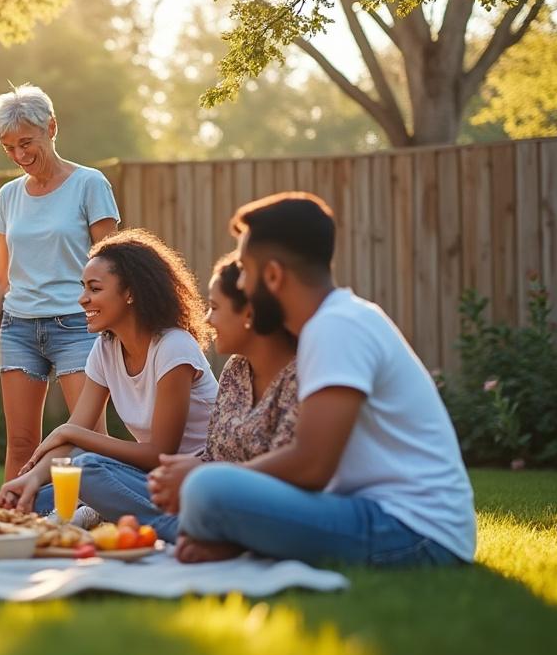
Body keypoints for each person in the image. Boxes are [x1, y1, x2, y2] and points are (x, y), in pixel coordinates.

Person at [172, 193, 475, 567]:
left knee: (206, 487)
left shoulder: (336, 327)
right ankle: (234, 539)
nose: (244, 286)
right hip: (373, 514)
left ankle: (228, 534)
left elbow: (312, 465)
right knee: (208, 488)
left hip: (415, 531)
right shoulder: (334, 322)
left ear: (273, 275)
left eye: (246, 270)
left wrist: (206, 476)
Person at [0, 229, 219, 540]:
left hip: (199, 482)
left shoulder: (173, 348)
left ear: (130, 293)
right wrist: (31, 479)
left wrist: (72, 433)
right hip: (153, 480)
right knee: (40, 494)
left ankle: (180, 529)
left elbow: (159, 453)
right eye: (83, 287)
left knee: (87, 469)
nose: (82, 299)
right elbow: (74, 435)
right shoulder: (106, 348)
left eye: (95, 288)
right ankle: (99, 512)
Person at [0, 84, 120, 480]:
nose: (19, 155)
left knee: (89, 438)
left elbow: (114, 267)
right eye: (8, 147)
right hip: (18, 328)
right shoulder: (8, 195)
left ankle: (95, 510)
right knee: (21, 444)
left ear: (51, 128)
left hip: (78, 326)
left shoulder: (90, 184)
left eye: (26, 143)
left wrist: (114, 330)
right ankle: (14, 515)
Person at [147, 252, 299, 514]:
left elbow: (289, 477)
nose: (207, 319)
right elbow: (212, 455)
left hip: (273, 509)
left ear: (249, 314)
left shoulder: (300, 376)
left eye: (214, 308)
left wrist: (201, 477)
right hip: (215, 498)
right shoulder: (235, 369)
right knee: (97, 468)